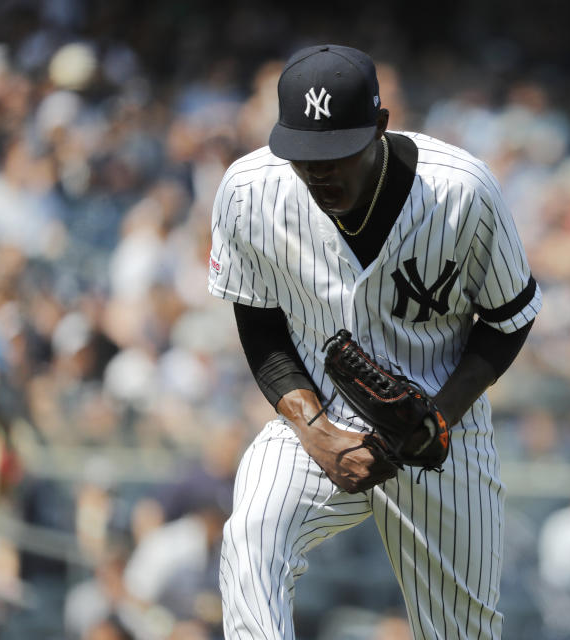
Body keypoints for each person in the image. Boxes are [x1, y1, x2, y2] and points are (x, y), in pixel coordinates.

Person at [207, 44, 541, 639]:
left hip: (443, 430)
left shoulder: (459, 192)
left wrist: (438, 418)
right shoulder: (250, 191)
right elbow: (260, 329)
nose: (320, 171)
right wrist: (316, 433)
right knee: (253, 532)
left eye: (336, 153)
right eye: (305, 156)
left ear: (381, 128)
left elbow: (508, 319)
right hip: (318, 417)